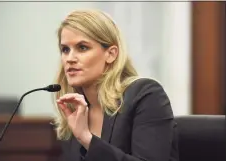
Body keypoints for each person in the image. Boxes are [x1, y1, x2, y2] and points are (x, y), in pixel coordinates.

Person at [53, 9, 179, 161]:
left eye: (82, 47)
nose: (69, 58)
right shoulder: (76, 110)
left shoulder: (146, 95)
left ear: (111, 54)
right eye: (65, 49)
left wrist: (87, 139)